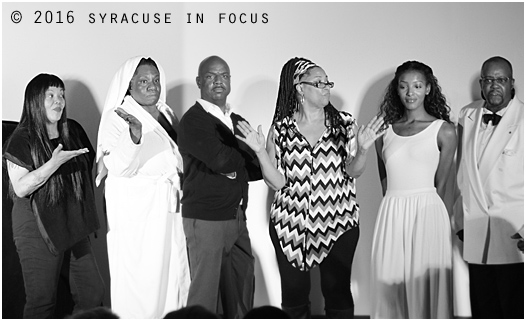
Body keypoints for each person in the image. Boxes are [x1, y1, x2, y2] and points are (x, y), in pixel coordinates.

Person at [235, 57, 385, 318]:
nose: (326, 87)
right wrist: (260, 152)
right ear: (300, 88)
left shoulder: (345, 125)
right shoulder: (281, 129)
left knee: (336, 289)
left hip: (339, 221)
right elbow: (276, 182)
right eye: (319, 83)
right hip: (289, 224)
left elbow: (354, 171)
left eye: (327, 82)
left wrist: (362, 149)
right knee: (294, 293)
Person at [2, 73, 105, 318]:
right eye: (50, 95)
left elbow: (88, 171)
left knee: (92, 292)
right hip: (36, 225)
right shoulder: (21, 138)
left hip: (71, 223)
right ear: (35, 100)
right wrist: (53, 163)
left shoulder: (73, 133)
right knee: (42, 302)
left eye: (61, 95)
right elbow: (20, 188)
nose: (59, 100)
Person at [96, 56, 190, 318]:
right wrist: (134, 135)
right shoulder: (117, 117)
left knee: (173, 279)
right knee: (142, 283)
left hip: (170, 211)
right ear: (129, 85)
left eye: (156, 80)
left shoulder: (167, 113)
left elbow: (181, 155)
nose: (153, 86)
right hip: (138, 217)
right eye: (144, 81)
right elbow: (119, 167)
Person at [177, 55, 262, 318]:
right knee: (205, 297)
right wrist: (248, 153)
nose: (218, 81)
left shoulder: (236, 119)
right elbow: (221, 160)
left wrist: (247, 159)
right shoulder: (193, 120)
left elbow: (255, 170)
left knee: (241, 288)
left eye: (224, 76)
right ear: (199, 81)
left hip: (237, 217)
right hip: (206, 220)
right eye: (212, 76)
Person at [370, 61, 456, 318]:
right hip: (392, 212)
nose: (410, 93)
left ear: (428, 89)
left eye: (417, 86)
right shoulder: (384, 132)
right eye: (404, 86)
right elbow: (384, 179)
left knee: (424, 285)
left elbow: (443, 183)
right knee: (388, 281)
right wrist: (394, 207)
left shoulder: (444, 130)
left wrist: (438, 221)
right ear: (396, 90)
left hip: (429, 212)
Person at [456, 56, 523, 318]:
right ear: (482, 83)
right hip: (475, 230)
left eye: (501, 80)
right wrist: (459, 220)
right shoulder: (467, 114)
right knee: (483, 308)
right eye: (489, 80)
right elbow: (461, 169)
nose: (495, 86)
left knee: (513, 309)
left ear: (512, 83)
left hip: (513, 233)